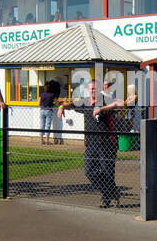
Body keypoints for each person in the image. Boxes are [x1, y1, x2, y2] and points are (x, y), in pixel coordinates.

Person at [71, 79, 125, 207]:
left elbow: (122, 103)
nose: (92, 91)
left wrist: (102, 109)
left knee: (107, 172)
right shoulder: (85, 102)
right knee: (89, 171)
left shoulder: (105, 100)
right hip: (91, 144)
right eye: (91, 89)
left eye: (95, 88)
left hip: (107, 144)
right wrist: (62, 107)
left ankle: (106, 198)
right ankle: (113, 191)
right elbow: (72, 104)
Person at [38, 81, 59, 145]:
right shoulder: (52, 95)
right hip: (49, 110)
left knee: (42, 125)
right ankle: (47, 140)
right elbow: (56, 103)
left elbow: (39, 103)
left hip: (42, 110)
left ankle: (41, 139)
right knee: (48, 125)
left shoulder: (42, 94)